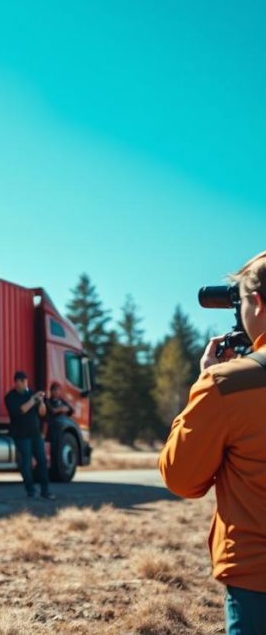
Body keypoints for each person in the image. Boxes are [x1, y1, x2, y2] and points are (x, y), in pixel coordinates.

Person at [160, 251, 266, 635]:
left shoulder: (228, 384)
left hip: (258, 580)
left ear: (255, 301)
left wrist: (204, 385)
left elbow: (181, 478)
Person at [3, 371, 55, 500]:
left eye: (26, 382)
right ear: (17, 382)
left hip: (35, 435)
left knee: (42, 461)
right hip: (21, 436)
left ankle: (45, 491)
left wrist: (41, 402)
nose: (25, 384)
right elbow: (21, 410)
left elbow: (42, 413)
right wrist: (33, 400)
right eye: (23, 382)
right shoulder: (10, 397)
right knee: (26, 464)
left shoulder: (32, 394)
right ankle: (30, 490)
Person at [45, 381, 74, 456]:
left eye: (58, 390)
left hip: (62, 427)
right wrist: (61, 409)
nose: (56, 392)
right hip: (52, 428)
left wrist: (64, 409)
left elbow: (71, 410)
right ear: (51, 391)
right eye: (54, 390)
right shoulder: (48, 401)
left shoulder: (62, 400)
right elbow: (52, 410)